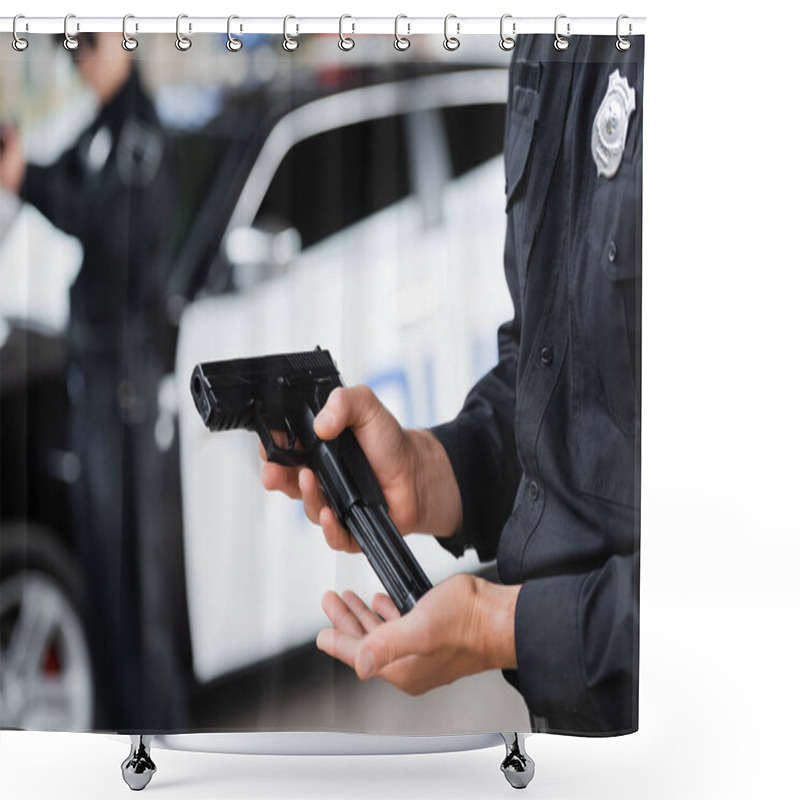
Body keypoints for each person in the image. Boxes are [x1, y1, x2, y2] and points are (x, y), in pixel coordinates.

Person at [260, 34, 642, 735]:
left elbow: (737, 581)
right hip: (560, 728)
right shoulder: (544, 47)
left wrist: (494, 625)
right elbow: (549, 367)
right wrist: (430, 471)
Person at [0, 33, 186, 730]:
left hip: (126, 391)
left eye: (86, 42)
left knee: (135, 598)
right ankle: (120, 743)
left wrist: (28, 180)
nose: (78, 58)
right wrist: (23, 167)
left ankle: (160, 744)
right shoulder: (104, 129)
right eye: (67, 47)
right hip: (98, 384)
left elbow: (105, 222)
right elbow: (68, 185)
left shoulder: (140, 132)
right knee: (106, 584)